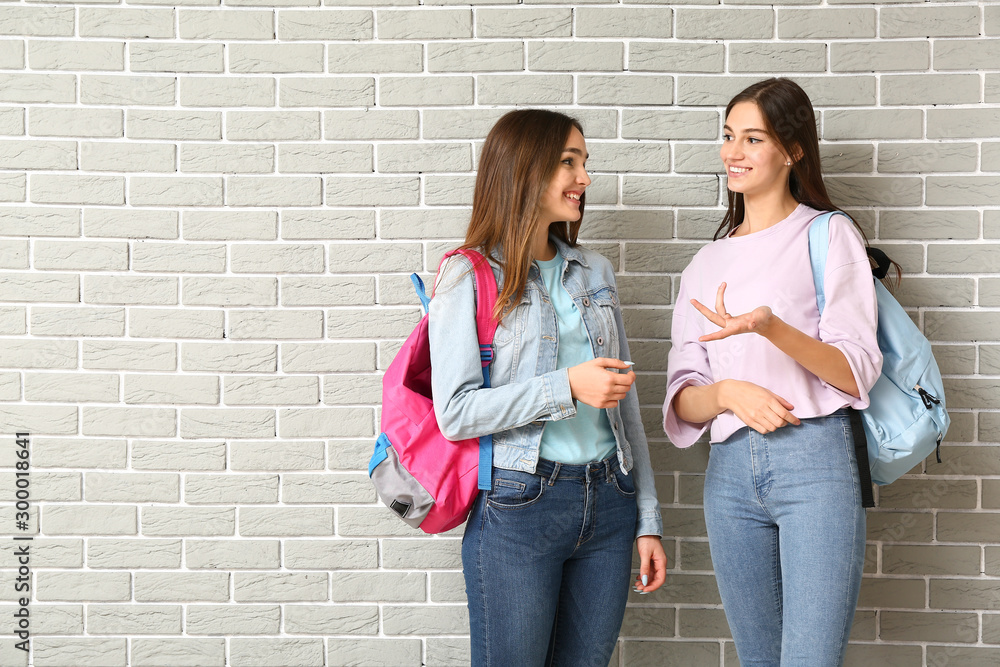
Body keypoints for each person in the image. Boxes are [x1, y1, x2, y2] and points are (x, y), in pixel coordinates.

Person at [429, 109, 667, 666]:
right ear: (523, 170)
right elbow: (456, 413)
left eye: (584, 162)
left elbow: (626, 404)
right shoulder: (468, 275)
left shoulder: (595, 272)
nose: (583, 178)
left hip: (611, 503)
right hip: (519, 507)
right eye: (568, 162)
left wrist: (647, 520)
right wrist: (566, 386)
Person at [663, 78, 883, 666]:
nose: (732, 151)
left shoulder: (828, 235)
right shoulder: (704, 264)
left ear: (793, 150)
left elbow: (856, 371)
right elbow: (683, 400)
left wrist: (769, 326)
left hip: (815, 463)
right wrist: (729, 393)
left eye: (752, 138)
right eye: (728, 136)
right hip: (729, 475)